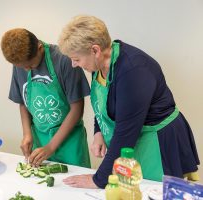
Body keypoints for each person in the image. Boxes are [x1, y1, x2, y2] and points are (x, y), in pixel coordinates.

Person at [58, 15, 200, 188]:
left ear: (95, 50)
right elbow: (102, 103)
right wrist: (98, 132)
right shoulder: (99, 64)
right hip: (132, 140)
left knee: (151, 191)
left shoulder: (133, 71)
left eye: (76, 59)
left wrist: (98, 179)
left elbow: (125, 132)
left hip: (157, 143)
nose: (74, 65)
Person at [0, 28, 90, 168]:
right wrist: (27, 134)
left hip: (70, 141)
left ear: (39, 48)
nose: (27, 70)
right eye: (22, 67)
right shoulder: (20, 64)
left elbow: (77, 109)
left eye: (30, 65)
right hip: (40, 139)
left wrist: (51, 147)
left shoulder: (64, 60)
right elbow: (23, 103)